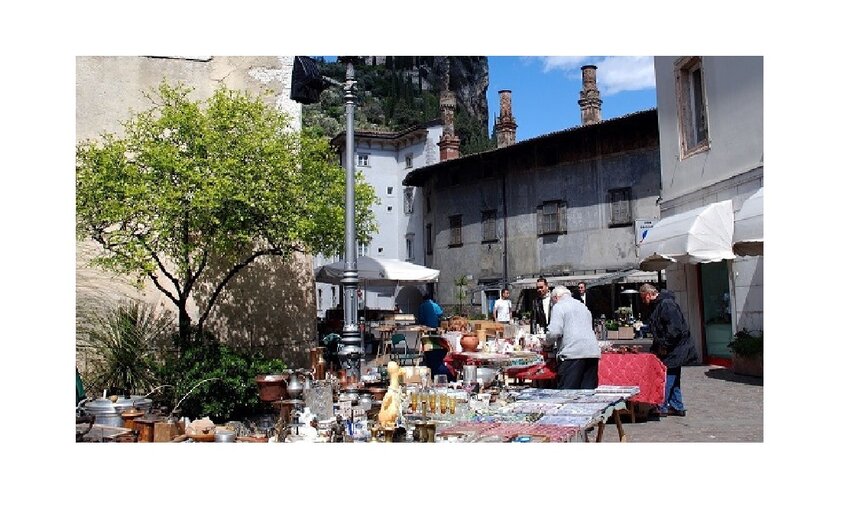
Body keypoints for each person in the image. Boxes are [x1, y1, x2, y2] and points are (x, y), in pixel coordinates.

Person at [639, 283, 699, 417]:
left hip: (674, 348)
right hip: (674, 347)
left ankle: (661, 405)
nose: (644, 302)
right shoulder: (660, 305)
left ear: (649, 294)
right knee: (674, 376)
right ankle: (677, 405)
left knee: (666, 377)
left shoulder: (666, 304)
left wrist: (664, 346)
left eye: (644, 298)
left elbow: (674, 329)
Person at [546, 285, 601, 389]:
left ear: (555, 297)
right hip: (592, 352)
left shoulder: (559, 306)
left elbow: (554, 332)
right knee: (588, 394)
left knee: (568, 394)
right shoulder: (583, 306)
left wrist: (546, 342)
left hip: (572, 354)